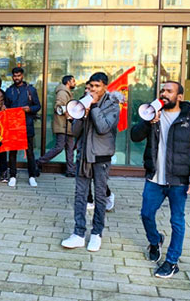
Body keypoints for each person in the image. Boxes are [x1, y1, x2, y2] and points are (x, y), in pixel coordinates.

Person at [131, 81, 190, 278]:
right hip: (154, 178)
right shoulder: (152, 114)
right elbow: (134, 136)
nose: (164, 94)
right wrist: (148, 121)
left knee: (177, 221)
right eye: (162, 91)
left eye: (169, 91)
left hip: (179, 181)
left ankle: (172, 261)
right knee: (146, 214)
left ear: (179, 97)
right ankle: (155, 239)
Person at [61, 72, 119, 253]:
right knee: (80, 195)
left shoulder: (113, 106)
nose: (93, 90)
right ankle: (78, 234)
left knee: (100, 196)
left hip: (101, 157)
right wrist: (79, 116)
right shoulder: (83, 101)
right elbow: (76, 132)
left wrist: (92, 109)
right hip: (83, 156)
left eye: (97, 86)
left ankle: (96, 234)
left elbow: (103, 128)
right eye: (91, 86)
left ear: (105, 88)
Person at [4, 67, 41, 188]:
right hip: (13, 126)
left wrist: (30, 109)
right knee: (13, 152)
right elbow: (6, 107)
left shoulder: (30, 89)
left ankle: (32, 176)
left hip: (27, 124)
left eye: (18, 75)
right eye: (14, 76)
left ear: (22, 76)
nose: (16, 78)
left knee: (29, 152)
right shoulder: (9, 91)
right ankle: (13, 176)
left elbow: (38, 106)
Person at [39, 75, 77, 177]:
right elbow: (58, 106)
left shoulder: (66, 92)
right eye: (73, 81)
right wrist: (68, 115)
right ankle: (38, 162)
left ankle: (70, 171)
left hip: (67, 126)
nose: (75, 83)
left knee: (70, 149)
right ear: (68, 82)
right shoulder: (62, 92)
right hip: (62, 125)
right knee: (59, 147)